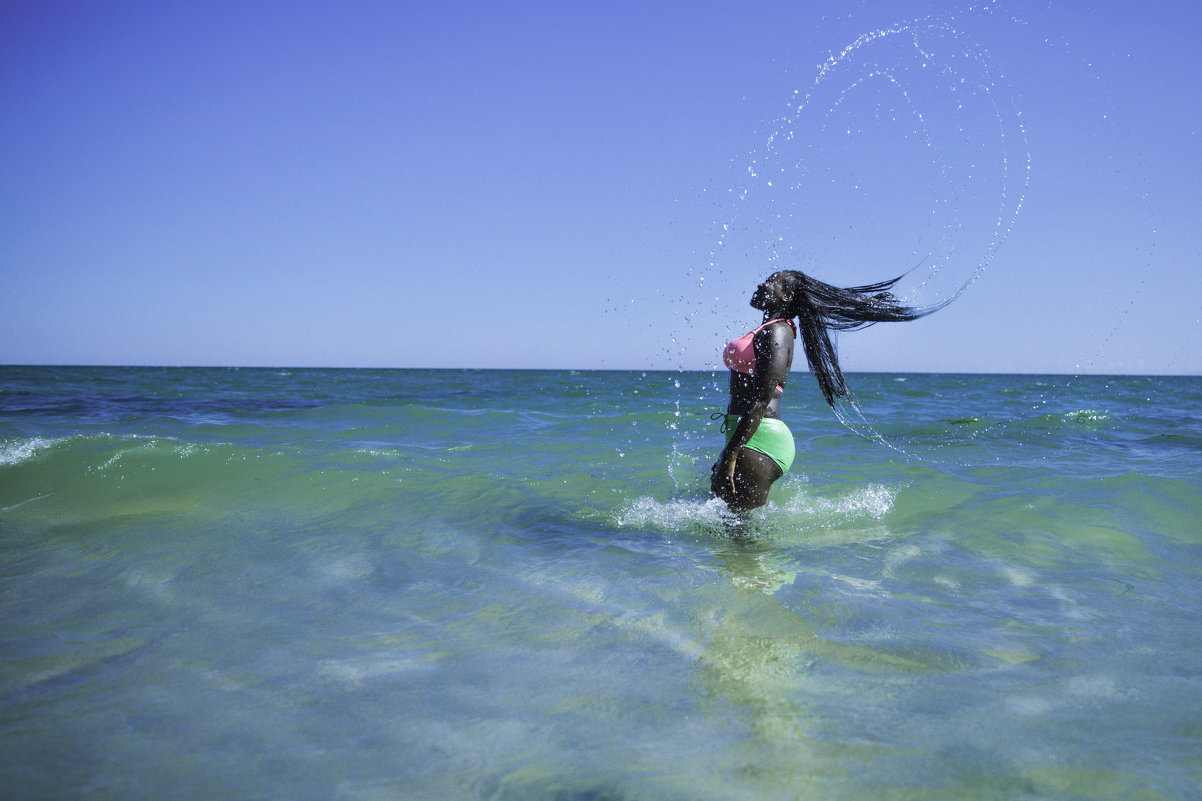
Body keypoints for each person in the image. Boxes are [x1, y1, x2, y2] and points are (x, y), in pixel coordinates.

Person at [711, 269, 933, 510]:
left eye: (769, 282)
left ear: (786, 296)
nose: (760, 284)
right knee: (729, 528)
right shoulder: (768, 329)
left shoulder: (778, 331)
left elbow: (760, 400)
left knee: (740, 535)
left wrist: (731, 454)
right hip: (746, 435)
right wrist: (730, 448)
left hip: (759, 439)